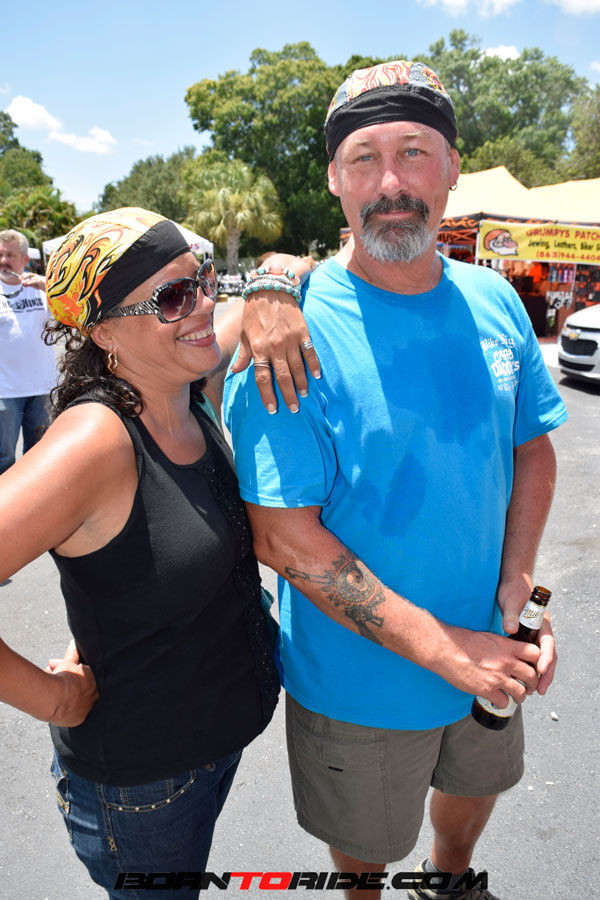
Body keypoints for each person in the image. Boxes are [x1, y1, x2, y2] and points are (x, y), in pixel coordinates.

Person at [224, 60, 567, 900]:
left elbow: (530, 447)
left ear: (452, 168)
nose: (390, 183)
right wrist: (452, 652)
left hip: (495, 647)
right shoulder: (286, 337)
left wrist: (515, 579)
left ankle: (450, 879)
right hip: (358, 686)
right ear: (334, 180)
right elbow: (282, 539)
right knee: (364, 852)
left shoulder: (495, 298)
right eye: (364, 158)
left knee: (471, 799)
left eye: (414, 151)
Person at [0, 206, 317, 899]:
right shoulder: (95, 442)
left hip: (206, 752)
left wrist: (274, 280)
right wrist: (54, 697)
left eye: (203, 279)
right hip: (144, 788)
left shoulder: (181, 379)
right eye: (174, 295)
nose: (203, 304)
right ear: (105, 330)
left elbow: (266, 291)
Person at [0, 229, 57, 474]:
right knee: (3, 457)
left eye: (10, 255)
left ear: (25, 259)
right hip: (5, 390)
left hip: (41, 387)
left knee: (38, 456)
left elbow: (72, 314)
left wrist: (47, 287)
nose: (4, 261)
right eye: (0, 255)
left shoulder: (43, 287)